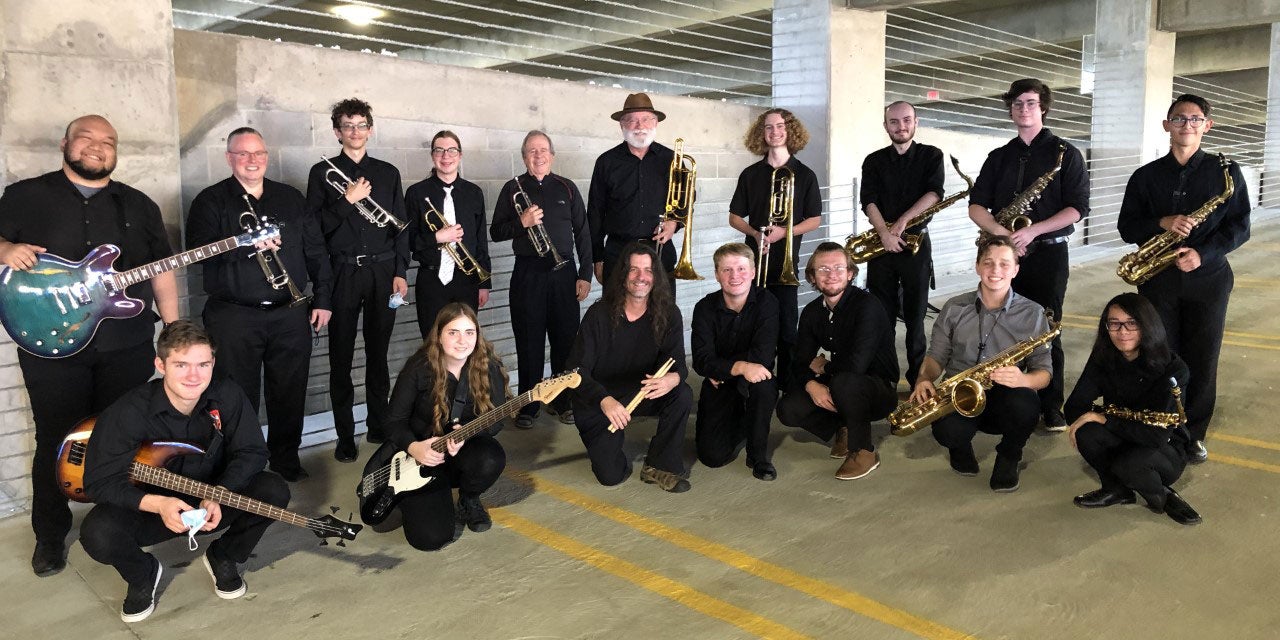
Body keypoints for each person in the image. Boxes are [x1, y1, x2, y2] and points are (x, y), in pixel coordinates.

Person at [0, 114, 179, 577]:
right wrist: (3, 250)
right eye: (87, 138)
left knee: (124, 439)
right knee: (54, 439)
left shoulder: (138, 205)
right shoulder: (24, 195)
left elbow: (162, 269)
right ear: (66, 143)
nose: (97, 147)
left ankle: (120, 523)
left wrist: (173, 332)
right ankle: (50, 535)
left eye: (108, 142)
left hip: (127, 343)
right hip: (51, 348)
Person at [79, 321, 290, 622]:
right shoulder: (128, 412)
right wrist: (158, 504)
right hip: (153, 509)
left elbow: (252, 451)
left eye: (203, 364)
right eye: (181, 364)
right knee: (98, 533)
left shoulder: (226, 394)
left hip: (210, 501)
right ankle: (142, 575)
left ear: (213, 362)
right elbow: (99, 482)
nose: (194, 375)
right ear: (160, 364)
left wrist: (221, 492)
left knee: (273, 491)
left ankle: (225, 556)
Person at [186, 127, 333, 482]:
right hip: (233, 315)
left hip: (289, 311)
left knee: (289, 389)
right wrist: (247, 245)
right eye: (243, 153)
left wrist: (324, 299)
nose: (252, 160)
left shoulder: (291, 198)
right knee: (235, 396)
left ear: (266, 157)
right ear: (229, 158)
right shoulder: (210, 201)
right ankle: (242, 466)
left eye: (258, 153)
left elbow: (315, 250)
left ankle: (285, 459)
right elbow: (197, 255)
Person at [1117, 94, 1251, 464]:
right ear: (1166, 125)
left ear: (1207, 125)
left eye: (1195, 119)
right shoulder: (1145, 176)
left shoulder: (1226, 172)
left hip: (1208, 278)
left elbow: (1241, 227)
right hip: (1158, 279)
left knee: (1203, 357)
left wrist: (1202, 253)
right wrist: (1161, 222)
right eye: (1179, 119)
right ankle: (1160, 426)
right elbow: (1126, 226)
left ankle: (1193, 434)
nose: (1186, 125)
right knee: (1160, 355)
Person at [968, 78, 1090, 432]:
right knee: (999, 324)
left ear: (1044, 108)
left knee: (1046, 330)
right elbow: (977, 207)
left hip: (1048, 253)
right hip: (1003, 255)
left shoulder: (1065, 153)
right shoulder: (998, 157)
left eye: (1031, 103)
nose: (1024, 109)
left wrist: (1034, 230)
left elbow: (1078, 208)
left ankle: (1052, 405)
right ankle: (1006, 397)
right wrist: (1004, 235)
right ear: (1010, 109)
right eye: (1018, 103)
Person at [306, 97, 409, 461]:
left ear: (370, 129)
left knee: (378, 356)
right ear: (337, 132)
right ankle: (345, 434)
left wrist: (400, 271)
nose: (354, 131)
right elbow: (315, 229)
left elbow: (401, 229)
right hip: (342, 272)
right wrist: (348, 200)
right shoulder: (322, 174)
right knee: (341, 357)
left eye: (360, 125)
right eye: (347, 126)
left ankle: (378, 424)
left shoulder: (388, 172)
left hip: (383, 272)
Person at [910, 236, 1052, 492]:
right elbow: (936, 357)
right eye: (988, 263)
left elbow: (1044, 372)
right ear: (977, 266)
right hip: (959, 392)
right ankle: (959, 446)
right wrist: (923, 379)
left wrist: (1024, 380)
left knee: (1027, 405)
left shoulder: (1033, 313)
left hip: (1005, 395)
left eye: (1004, 264)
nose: (995, 271)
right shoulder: (954, 308)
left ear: (1016, 270)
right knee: (947, 432)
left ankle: (1009, 456)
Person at [567, 243, 693, 492]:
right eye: (633, 270)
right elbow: (577, 370)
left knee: (682, 393)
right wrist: (604, 400)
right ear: (623, 275)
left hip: (640, 391)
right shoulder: (598, 314)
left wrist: (673, 378)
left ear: (655, 277)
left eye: (647, 270)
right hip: (600, 399)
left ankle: (659, 465)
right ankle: (610, 448)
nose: (641, 277)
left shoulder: (668, 314)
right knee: (610, 476)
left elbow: (677, 360)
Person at [1065, 293, 1200, 525]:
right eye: (1114, 323)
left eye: (1132, 323)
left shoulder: (1173, 369)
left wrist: (1106, 419)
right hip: (1128, 434)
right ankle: (1116, 489)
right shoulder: (1104, 358)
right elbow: (1074, 407)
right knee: (1085, 431)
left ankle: (1164, 495)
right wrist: (1095, 419)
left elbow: (1156, 436)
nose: (1122, 332)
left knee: (1127, 464)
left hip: (1164, 450)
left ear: (1147, 326)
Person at [384, 303, 508, 550]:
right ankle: (413, 498)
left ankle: (468, 499)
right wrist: (414, 447)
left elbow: (496, 421)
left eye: (469, 332)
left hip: (459, 452)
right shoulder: (418, 368)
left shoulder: (487, 366)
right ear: (439, 336)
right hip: (418, 458)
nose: (462, 340)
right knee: (430, 539)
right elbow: (393, 421)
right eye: (453, 332)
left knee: (491, 457)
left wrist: (467, 434)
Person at [491, 130, 592, 428]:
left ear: (552, 155)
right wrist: (522, 223)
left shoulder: (567, 187)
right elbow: (496, 233)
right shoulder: (512, 188)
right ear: (524, 157)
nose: (538, 155)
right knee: (529, 342)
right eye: (532, 151)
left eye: (543, 150)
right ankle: (529, 405)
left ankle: (563, 401)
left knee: (565, 343)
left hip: (564, 275)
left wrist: (585, 275)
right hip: (528, 273)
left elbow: (583, 234)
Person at [776, 242, 898, 481]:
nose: (831, 275)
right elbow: (800, 362)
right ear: (812, 276)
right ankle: (842, 428)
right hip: (843, 381)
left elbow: (856, 365)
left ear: (850, 273)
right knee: (788, 408)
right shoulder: (812, 311)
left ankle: (864, 451)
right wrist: (813, 385)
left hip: (879, 389)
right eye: (823, 269)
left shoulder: (868, 306)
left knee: (844, 381)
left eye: (839, 268)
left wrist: (823, 367)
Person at [727, 108, 823, 392]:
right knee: (752, 324)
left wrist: (785, 232)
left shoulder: (804, 175)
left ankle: (788, 386)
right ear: (762, 133)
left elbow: (815, 220)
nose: (774, 132)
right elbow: (734, 217)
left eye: (780, 126)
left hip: (786, 263)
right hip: (753, 260)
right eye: (768, 127)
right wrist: (756, 233)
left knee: (786, 327)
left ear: (789, 131)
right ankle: (757, 381)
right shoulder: (750, 174)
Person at [859, 101, 945, 387]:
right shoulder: (873, 160)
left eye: (906, 120)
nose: (901, 126)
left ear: (916, 122)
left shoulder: (932, 155)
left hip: (915, 244)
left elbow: (934, 193)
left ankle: (918, 380)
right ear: (886, 126)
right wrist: (884, 233)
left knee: (916, 318)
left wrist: (900, 225)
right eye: (894, 122)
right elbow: (868, 200)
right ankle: (885, 379)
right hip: (881, 244)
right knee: (880, 317)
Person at [691, 243, 780, 480]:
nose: (735, 276)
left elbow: (762, 357)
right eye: (727, 270)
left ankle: (758, 456)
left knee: (764, 385)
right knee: (712, 457)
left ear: (752, 272)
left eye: (741, 269)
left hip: (749, 380)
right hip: (719, 384)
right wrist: (740, 367)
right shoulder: (704, 308)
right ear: (717, 275)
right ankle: (741, 420)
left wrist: (721, 367)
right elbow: (700, 361)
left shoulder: (767, 303)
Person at [588, 93, 683, 286]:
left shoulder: (672, 159)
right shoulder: (606, 162)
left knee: (662, 313)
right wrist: (597, 258)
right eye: (632, 121)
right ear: (622, 125)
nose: (639, 126)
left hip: (660, 250)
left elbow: (686, 200)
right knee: (615, 313)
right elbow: (595, 213)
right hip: (618, 254)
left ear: (655, 123)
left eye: (646, 119)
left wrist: (674, 223)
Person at [405, 130, 491, 338]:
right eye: (439, 150)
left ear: (460, 155)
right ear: (432, 155)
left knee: (465, 344)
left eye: (452, 150)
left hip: (467, 281)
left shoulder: (474, 193)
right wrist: (437, 238)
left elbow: (481, 242)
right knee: (432, 343)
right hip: (431, 280)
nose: (446, 156)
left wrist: (484, 284)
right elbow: (407, 241)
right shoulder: (416, 193)